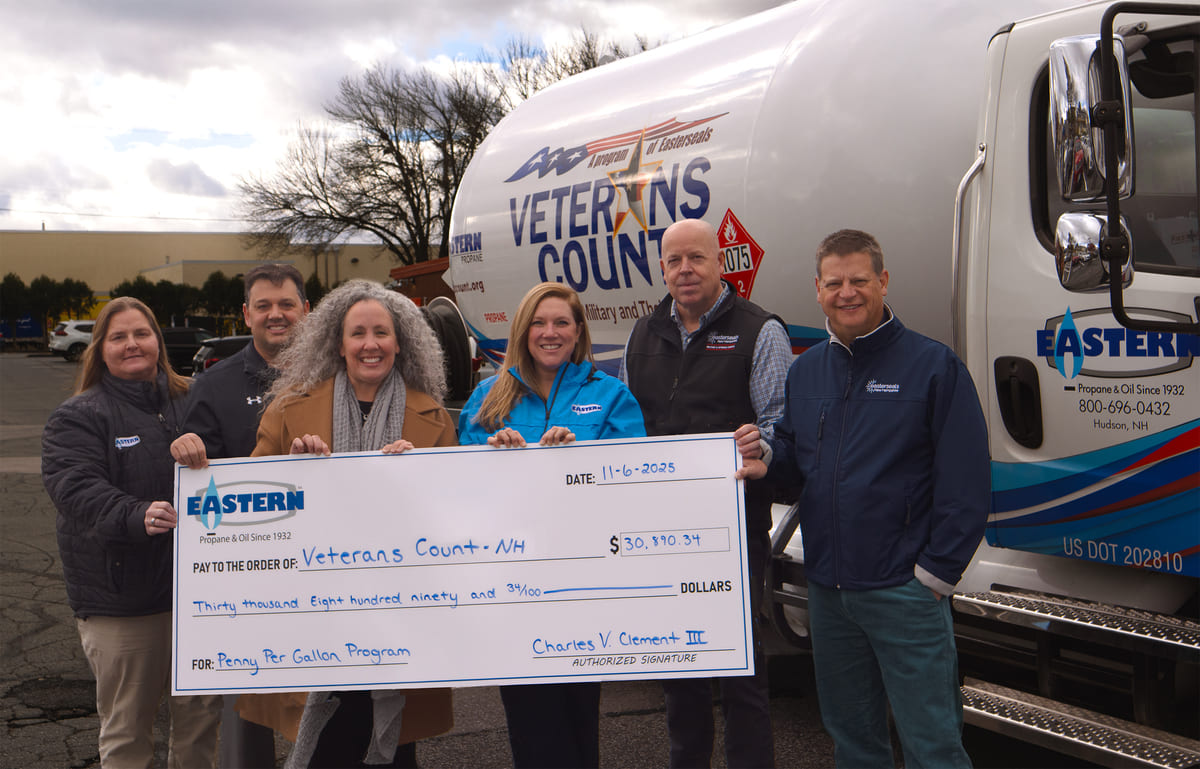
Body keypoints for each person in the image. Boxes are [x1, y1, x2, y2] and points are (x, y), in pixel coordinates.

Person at [736, 229, 989, 768]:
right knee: (853, 742)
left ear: (883, 281)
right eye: (834, 283)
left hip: (905, 591)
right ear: (818, 289)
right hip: (829, 591)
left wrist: (935, 575)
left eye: (859, 280)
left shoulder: (933, 367)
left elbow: (966, 483)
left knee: (933, 745)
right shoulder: (807, 372)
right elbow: (797, 456)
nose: (846, 293)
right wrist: (767, 459)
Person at [235, 279, 455, 769]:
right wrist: (291, 471)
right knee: (329, 750)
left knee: (395, 751)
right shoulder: (290, 408)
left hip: (399, 619)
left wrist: (423, 477)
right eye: (358, 333)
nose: (370, 344)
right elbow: (251, 504)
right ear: (338, 343)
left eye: (382, 332)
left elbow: (453, 523)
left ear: (401, 342)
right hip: (318, 617)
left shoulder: (433, 416)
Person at [621, 217, 788, 769]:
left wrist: (760, 446)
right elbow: (627, 428)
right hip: (661, 532)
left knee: (741, 672)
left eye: (697, 258)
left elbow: (780, 425)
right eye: (674, 261)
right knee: (679, 671)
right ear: (662, 269)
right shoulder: (644, 335)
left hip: (733, 529)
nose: (685, 270)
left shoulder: (759, 331)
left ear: (720, 263)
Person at [458, 282, 646, 768]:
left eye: (561, 321)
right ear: (523, 331)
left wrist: (580, 458)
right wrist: (490, 455)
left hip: (583, 585)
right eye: (539, 322)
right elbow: (456, 490)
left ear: (578, 330)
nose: (550, 332)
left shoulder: (611, 395)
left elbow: (636, 481)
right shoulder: (486, 398)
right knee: (532, 726)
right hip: (513, 588)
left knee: (580, 720)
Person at [41, 296, 223, 768]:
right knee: (127, 730)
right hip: (124, 601)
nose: (132, 344)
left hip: (201, 596)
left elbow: (242, 461)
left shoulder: (194, 399)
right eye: (118, 337)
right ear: (100, 349)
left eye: (141, 333)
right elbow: (74, 488)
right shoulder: (79, 415)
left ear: (157, 341)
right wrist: (133, 514)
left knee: (200, 724)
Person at [170, 262, 309, 768]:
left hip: (325, 564)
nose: (277, 315)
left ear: (306, 310)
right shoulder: (214, 384)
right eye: (265, 306)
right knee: (248, 709)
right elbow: (198, 480)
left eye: (287, 304)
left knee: (329, 699)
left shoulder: (336, 373)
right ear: (246, 314)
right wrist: (187, 455)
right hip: (247, 573)